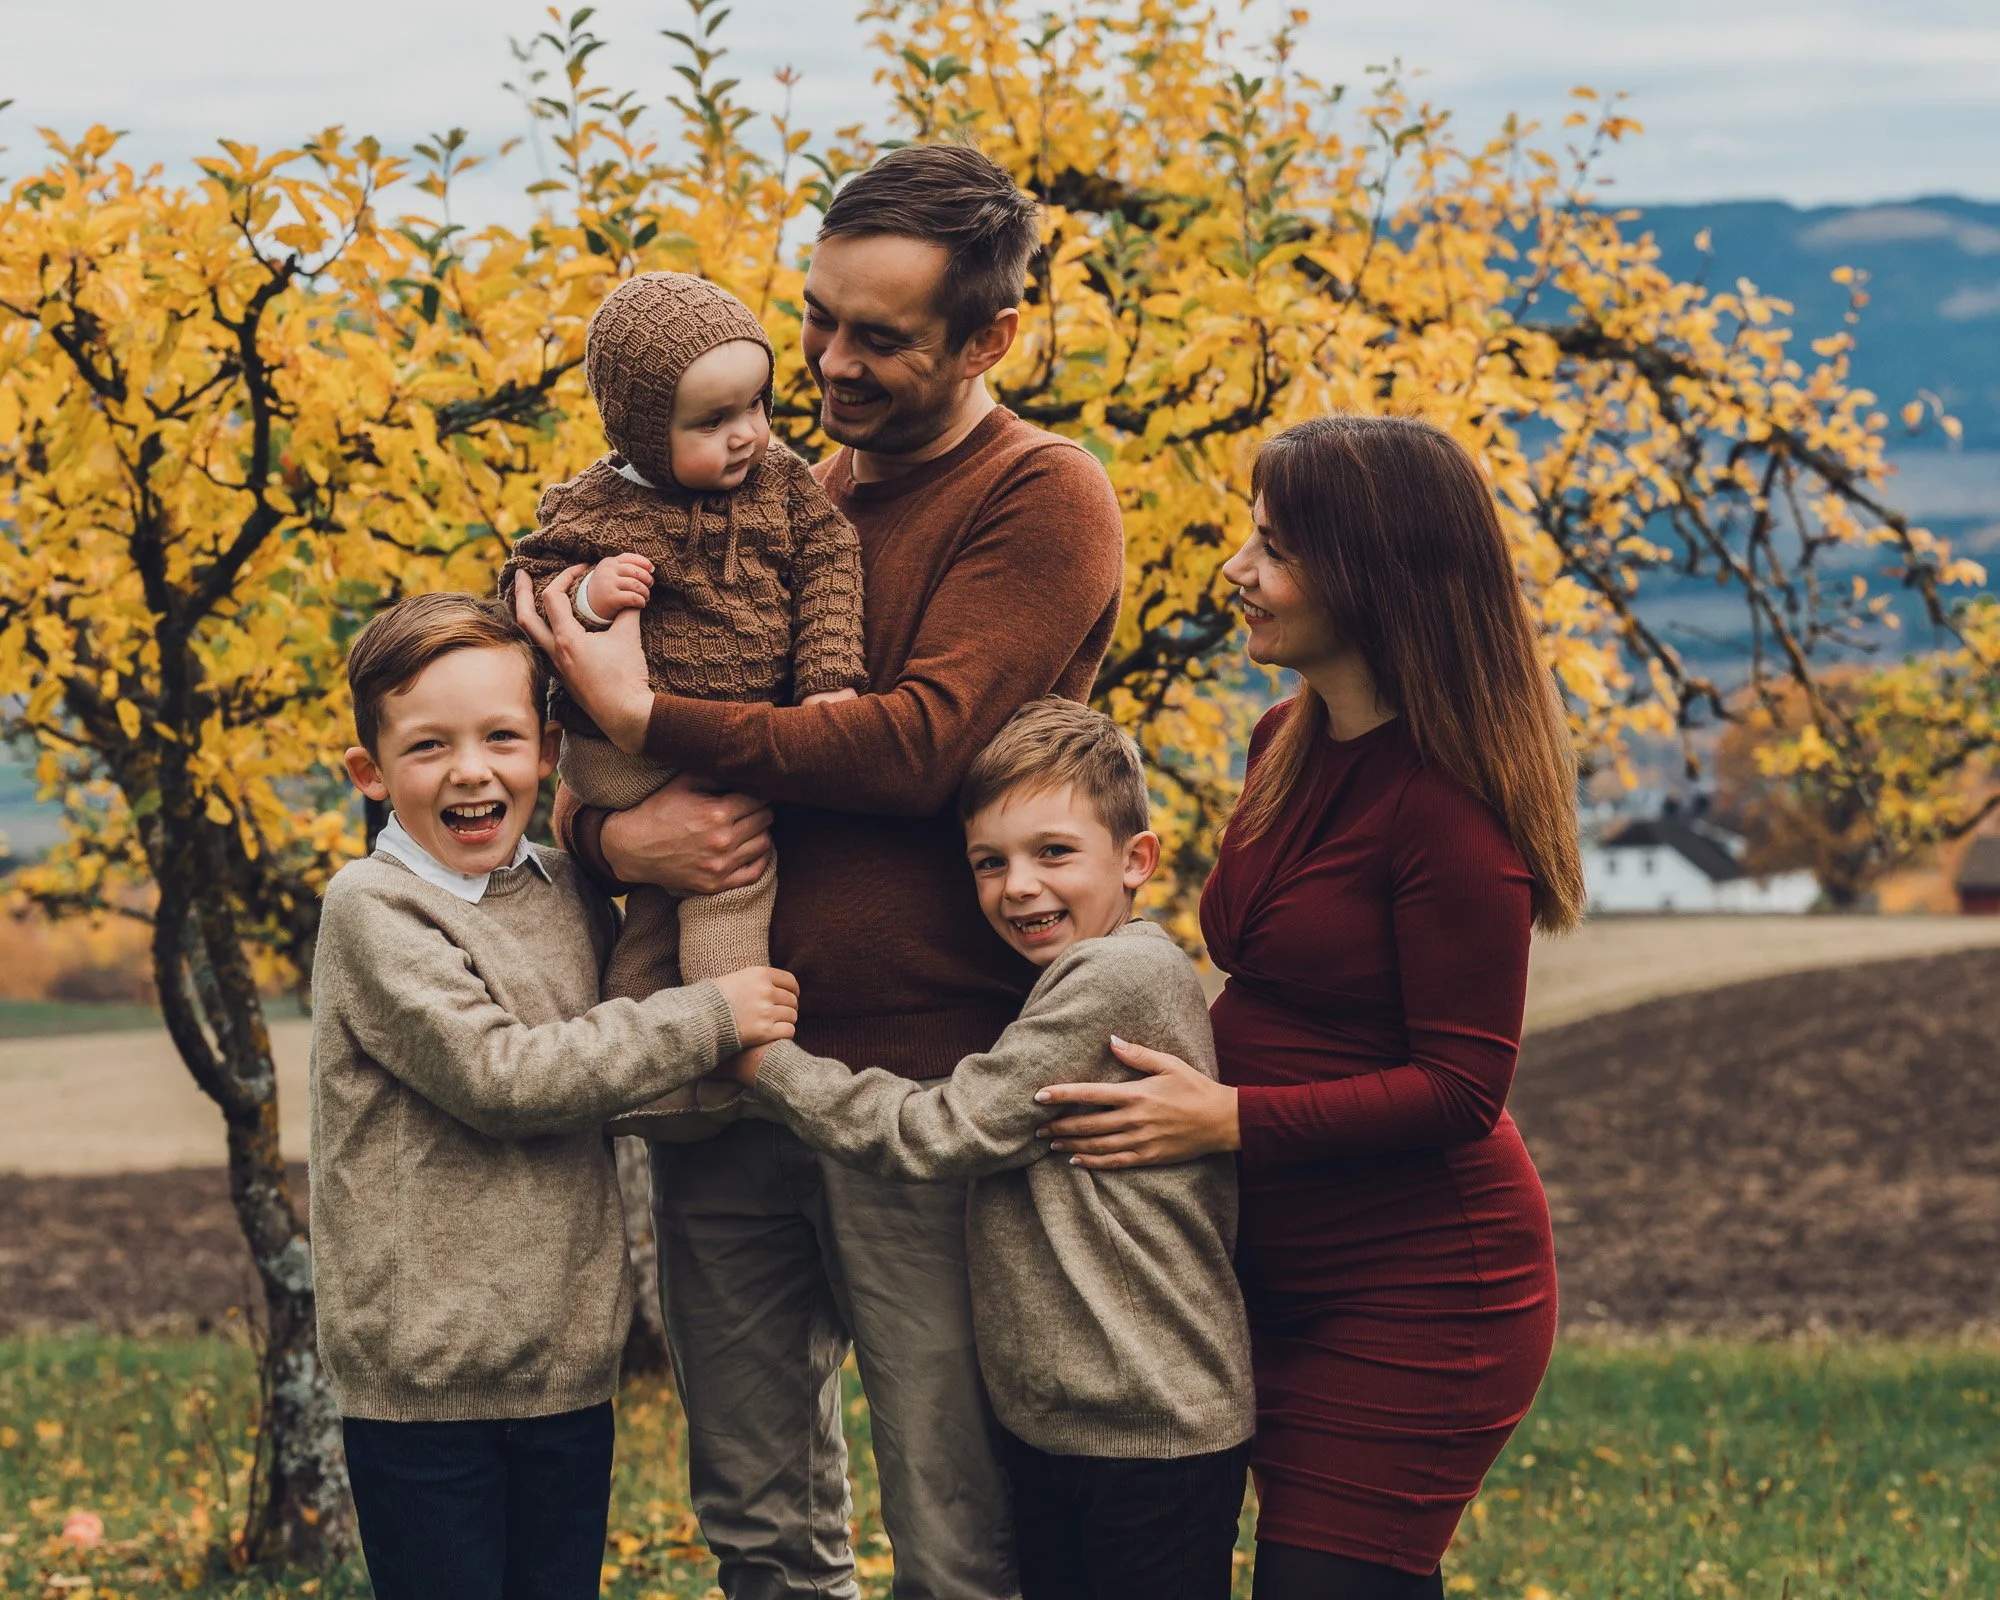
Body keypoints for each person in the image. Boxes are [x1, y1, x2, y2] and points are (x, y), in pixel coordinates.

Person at [514, 143, 1125, 1600]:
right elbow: (587, 756)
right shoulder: (760, 482)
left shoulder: (1041, 496)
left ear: (989, 339)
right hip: (723, 1065)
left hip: (921, 1083)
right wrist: (610, 834)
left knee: (951, 1520)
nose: (831, 364)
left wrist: (644, 717)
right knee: (757, 1518)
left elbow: (916, 746)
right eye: (816, 318)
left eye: (880, 337)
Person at [1033, 415, 1587, 1600]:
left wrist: (1225, 1118)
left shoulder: (1451, 810)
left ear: (1370, 573)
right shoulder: (1283, 738)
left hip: (1421, 1286)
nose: (1235, 569)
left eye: (1273, 548)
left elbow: (1461, 1088)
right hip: (1268, 1266)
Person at [309, 592, 801, 1600]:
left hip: (566, 1360)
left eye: (500, 737)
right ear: (370, 772)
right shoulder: (376, 908)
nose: (471, 770)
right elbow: (505, 1079)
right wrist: (711, 1016)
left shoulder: (564, 888)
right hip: (427, 1378)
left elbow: (612, 1065)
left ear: (547, 751)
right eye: (429, 746)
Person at [728, 697, 1254, 1600]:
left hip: (1150, 1429)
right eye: (989, 862)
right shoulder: (1069, 976)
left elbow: (938, 1129)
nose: (1018, 886)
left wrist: (769, 1066)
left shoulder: (1117, 975)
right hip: (1068, 1423)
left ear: (1137, 859)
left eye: (1054, 853)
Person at [500, 271, 866, 1139]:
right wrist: (588, 596)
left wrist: (827, 677)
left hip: (730, 738)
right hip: (621, 754)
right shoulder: (595, 505)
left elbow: (832, 561)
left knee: (664, 911)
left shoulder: (782, 485)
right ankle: (722, 1033)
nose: (747, 434)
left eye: (757, 405)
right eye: (712, 421)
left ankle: (651, 1078)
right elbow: (525, 586)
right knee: (734, 875)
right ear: (640, 430)